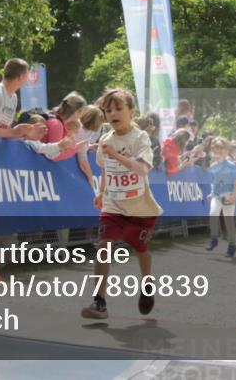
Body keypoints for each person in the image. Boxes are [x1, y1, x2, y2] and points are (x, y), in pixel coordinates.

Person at [81, 88, 162, 320]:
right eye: (108, 110)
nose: (113, 114)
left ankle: (147, 284)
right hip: (113, 204)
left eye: (118, 109)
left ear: (131, 111)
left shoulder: (140, 138)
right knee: (103, 246)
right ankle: (99, 302)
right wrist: (101, 192)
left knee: (141, 249)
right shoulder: (106, 139)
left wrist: (116, 155)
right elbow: (107, 169)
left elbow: (143, 168)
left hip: (140, 207)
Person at [205, 137, 236, 258]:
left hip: (229, 195)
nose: (217, 155)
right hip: (217, 196)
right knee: (213, 212)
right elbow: (214, 181)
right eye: (215, 152)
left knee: (228, 221)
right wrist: (212, 193)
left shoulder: (232, 166)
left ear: (226, 152)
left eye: (220, 153)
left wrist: (234, 196)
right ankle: (214, 238)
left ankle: (232, 245)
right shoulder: (213, 166)